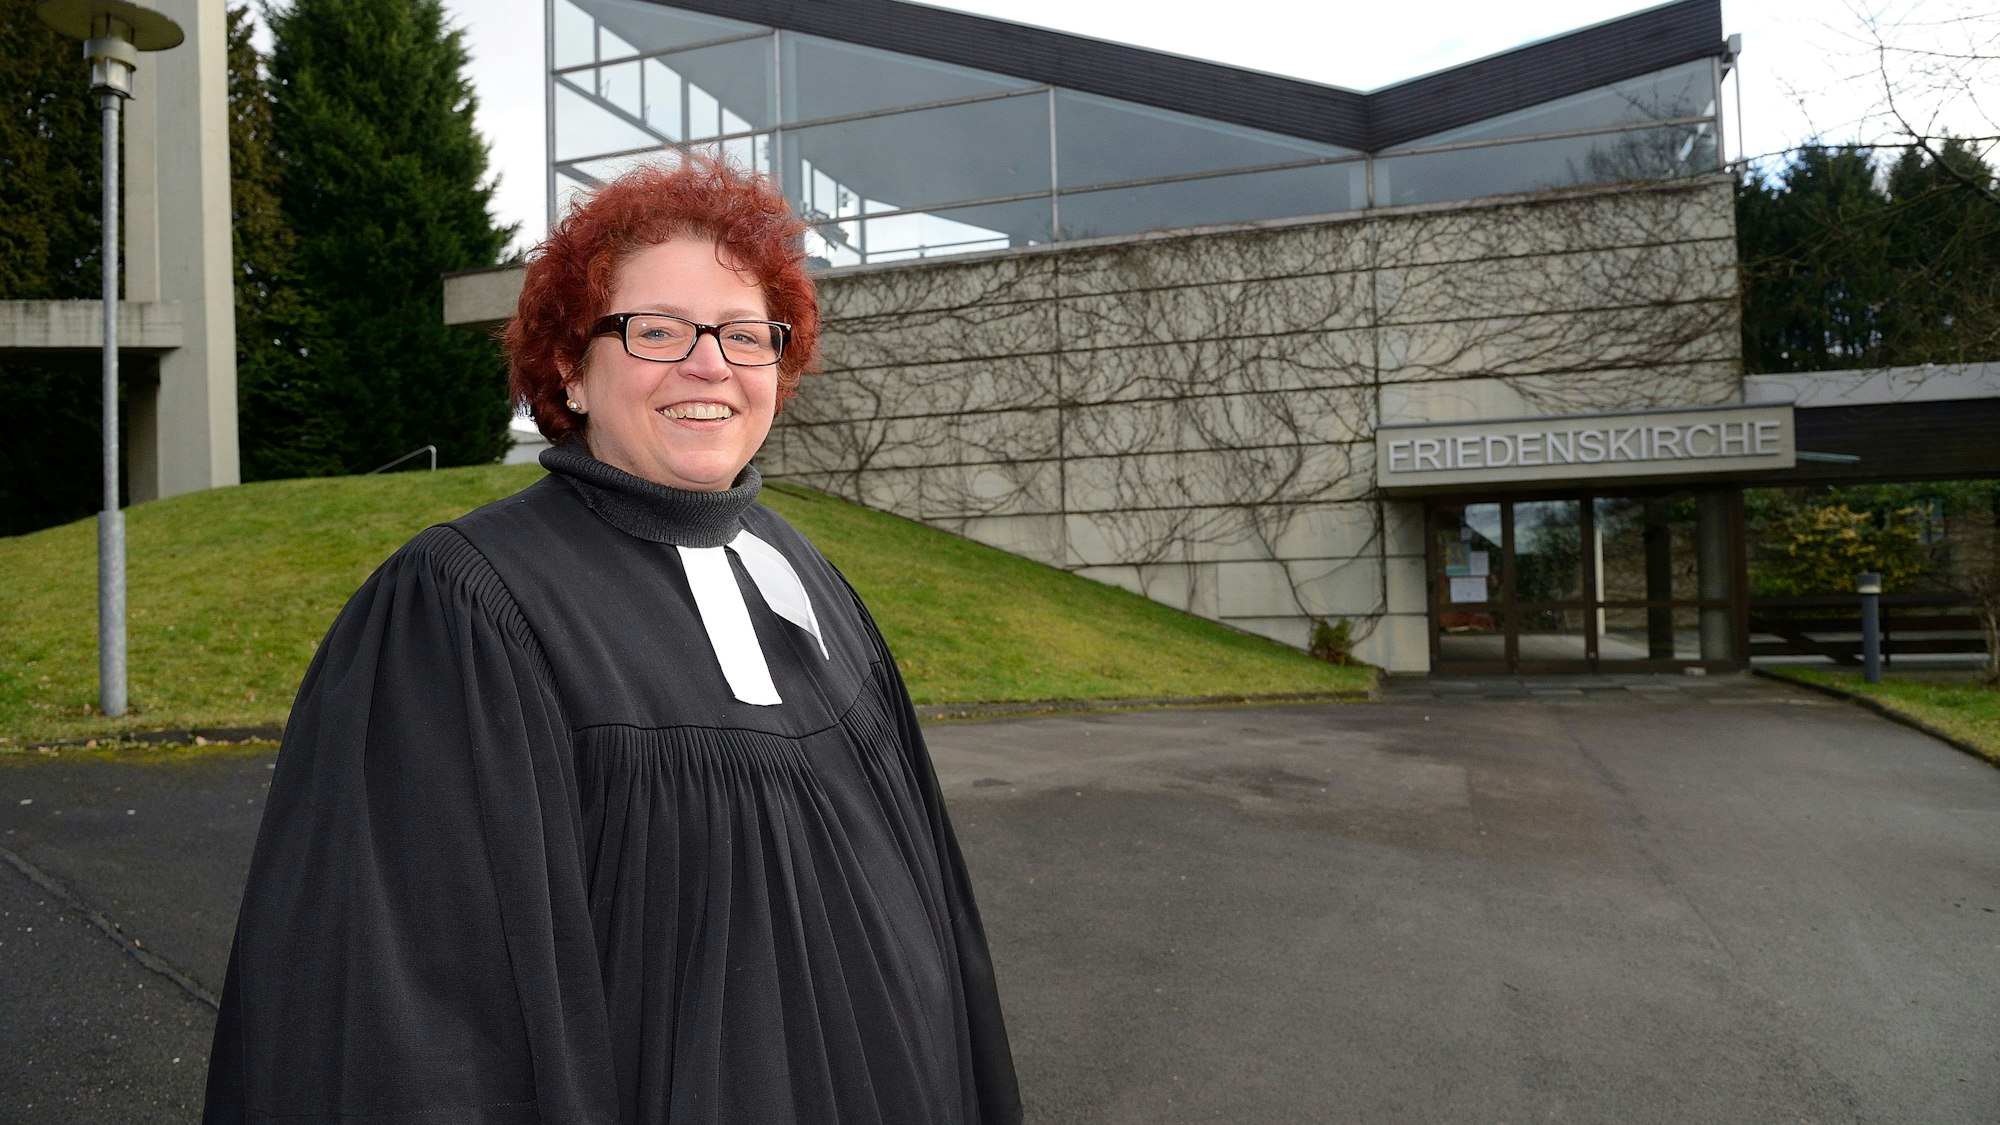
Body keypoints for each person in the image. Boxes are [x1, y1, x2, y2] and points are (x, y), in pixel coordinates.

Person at [204, 157, 1021, 1125]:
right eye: (657, 330)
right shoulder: (463, 614)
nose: (708, 364)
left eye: (742, 333)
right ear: (567, 368)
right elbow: (417, 1040)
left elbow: (939, 931)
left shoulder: (804, 577)